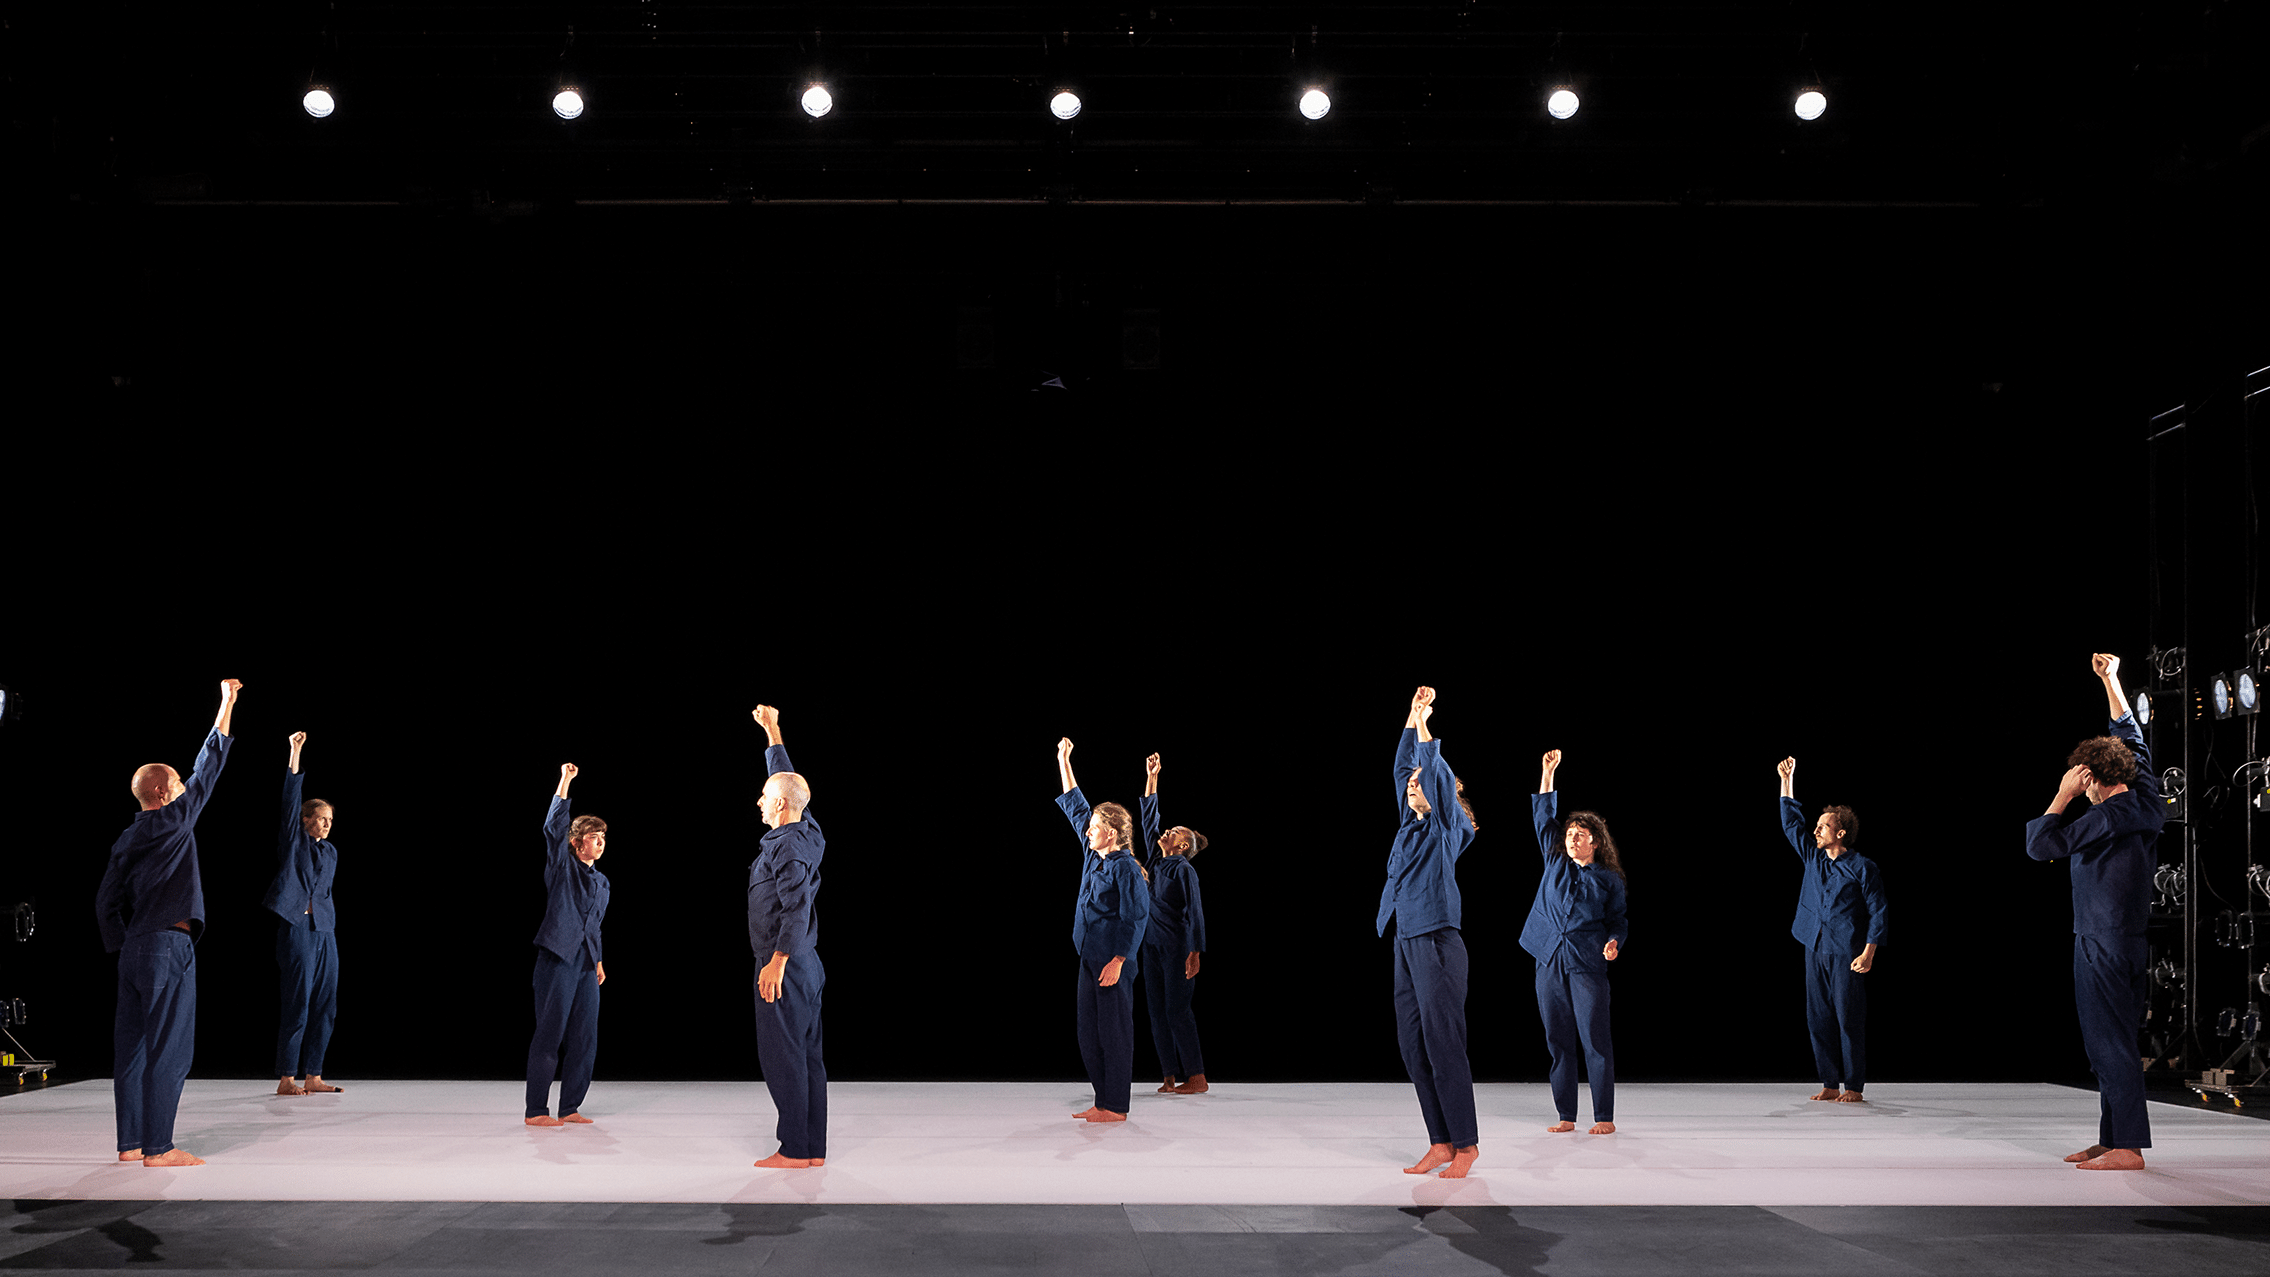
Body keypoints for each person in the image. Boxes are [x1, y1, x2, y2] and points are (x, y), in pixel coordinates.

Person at [96, 677, 243, 1167]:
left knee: (132, 1052)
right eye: (177, 785)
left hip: (135, 951)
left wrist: (124, 944)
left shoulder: (125, 839)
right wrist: (226, 702)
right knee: (170, 1050)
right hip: (168, 947)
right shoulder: (174, 820)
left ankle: (130, 1144)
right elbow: (211, 764)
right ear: (162, 792)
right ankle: (158, 1148)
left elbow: (104, 902)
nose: (184, 789)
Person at [2025, 652, 2163, 1171]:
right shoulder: (2146, 799)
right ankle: (2114, 1136)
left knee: (2109, 1044)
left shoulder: (2104, 819)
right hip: (2123, 938)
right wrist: (2113, 680)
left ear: (2089, 778)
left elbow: (2041, 847)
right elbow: (2133, 737)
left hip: (2101, 940)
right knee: (2114, 1040)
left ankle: (2127, 1146)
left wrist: (2060, 797)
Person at [1378, 686, 1481, 1178]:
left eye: (1422, 781)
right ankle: (1439, 1141)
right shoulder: (1410, 824)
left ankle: (1466, 1145)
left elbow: (1432, 775)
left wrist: (1426, 729)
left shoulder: (1449, 826)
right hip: (1405, 938)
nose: (1412, 784)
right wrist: (1410, 716)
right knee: (1413, 1043)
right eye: (1411, 783)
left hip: (1438, 939)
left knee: (1443, 1042)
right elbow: (1405, 770)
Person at [1526, 748, 1627, 1136]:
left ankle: (1603, 1116)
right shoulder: (1555, 861)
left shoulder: (1609, 879)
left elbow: (1618, 920)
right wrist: (1547, 773)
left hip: (1586, 962)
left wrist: (1615, 941)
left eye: (1579, 835)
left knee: (1594, 1039)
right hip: (1548, 956)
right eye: (1569, 834)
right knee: (1557, 1038)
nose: (1571, 838)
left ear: (1594, 842)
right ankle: (1566, 1114)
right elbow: (1542, 816)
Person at [1776, 756, 1888, 1103]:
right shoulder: (1813, 858)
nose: (1816, 830)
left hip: (1846, 950)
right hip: (1814, 944)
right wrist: (1787, 781)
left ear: (1840, 832)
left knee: (1848, 1017)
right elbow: (1791, 824)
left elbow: (1877, 910)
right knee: (1817, 1016)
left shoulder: (1862, 867)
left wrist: (1869, 952)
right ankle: (1828, 1081)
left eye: (1823, 826)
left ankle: (1853, 1085)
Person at [1054, 737, 1151, 1123]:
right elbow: (1076, 804)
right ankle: (1102, 1100)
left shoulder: (1125, 868)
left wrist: (1119, 959)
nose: (1089, 830)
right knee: (1088, 1033)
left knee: (1114, 1034)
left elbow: (1135, 917)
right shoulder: (1092, 853)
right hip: (1089, 956)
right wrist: (1063, 760)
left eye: (1095, 827)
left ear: (1112, 832)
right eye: (1091, 826)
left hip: (1114, 960)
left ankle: (1117, 1107)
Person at [748, 704, 828, 1168]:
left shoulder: (787, 845)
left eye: (763, 796)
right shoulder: (808, 829)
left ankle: (795, 1149)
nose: (758, 801)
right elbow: (791, 783)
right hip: (807, 964)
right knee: (808, 1057)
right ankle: (811, 1149)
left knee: (783, 1058)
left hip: (785, 964)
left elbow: (796, 908)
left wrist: (776, 961)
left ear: (779, 805)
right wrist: (773, 731)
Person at [525, 762, 609, 1127]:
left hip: (586, 963)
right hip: (557, 957)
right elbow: (553, 827)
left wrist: (600, 961)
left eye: (604, 837)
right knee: (550, 1032)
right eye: (594, 837)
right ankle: (536, 1111)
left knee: (585, 1036)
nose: (601, 842)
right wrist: (565, 780)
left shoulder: (602, 881)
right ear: (576, 844)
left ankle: (571, 1106)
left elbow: (595, 926)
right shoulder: (563, 867)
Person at [264, 730, 343, 1097]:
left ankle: (314, 1074)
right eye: (321, 818)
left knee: (326, 1001)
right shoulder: (293, 842)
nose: (327, 824)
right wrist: (295, 754)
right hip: (297, 926)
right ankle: (286, 1077)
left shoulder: (330, 852)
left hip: (324, 929)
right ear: (305, 820)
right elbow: (288, 801)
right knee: (298, 999)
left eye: (330, 819)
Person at [1138, 752, 1208, 1095]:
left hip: (1177, 947)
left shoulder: (1184, 869)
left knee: (1177, 1009)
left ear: (1182, 845)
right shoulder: (1155, 860)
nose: (1167, 830)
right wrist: (1152, 777)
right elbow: (1149, 819)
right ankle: (1168, 1074)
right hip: (1150, 945)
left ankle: (1196, 1076)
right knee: (1155, 1010)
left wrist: (1195, 951)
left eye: (1174, 830)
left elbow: (1195, 911)